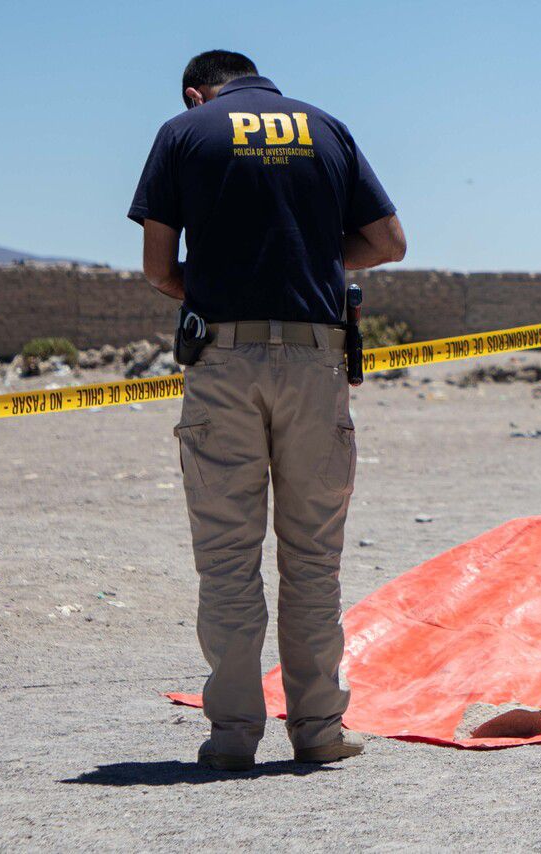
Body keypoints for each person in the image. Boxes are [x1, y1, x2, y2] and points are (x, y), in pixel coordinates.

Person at [128, 50, 406, 771]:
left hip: (223, 360)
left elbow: (159, 269)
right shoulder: (327, 129)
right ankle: (318, 731)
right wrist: (312, 262)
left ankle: (232, 738)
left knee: (227, 560)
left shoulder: (184, 133)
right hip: (317, 360)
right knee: (313, 559)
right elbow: (388, 242)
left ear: (198, 92)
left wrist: (221, 276)